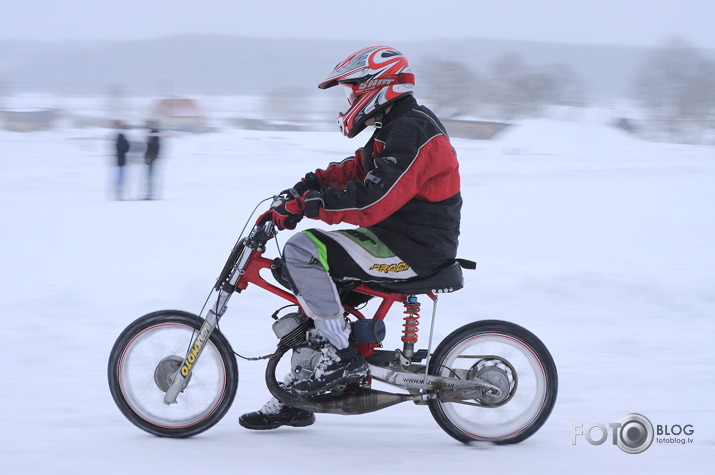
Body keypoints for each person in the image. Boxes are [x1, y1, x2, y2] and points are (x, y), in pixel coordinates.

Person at [239, 46, 462, 430]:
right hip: (395, 239)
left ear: (377, 85)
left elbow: (372, 200)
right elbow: (354, 171)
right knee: (311, 288)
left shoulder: (415, 131)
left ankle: (341, 356)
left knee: (303, 250)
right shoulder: (396, 128)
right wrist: (308, 186)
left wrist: (307, 207)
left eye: (353, 90)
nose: (350, 100)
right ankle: (302, 394)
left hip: (412, 250)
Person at [143, 121, 161, 200]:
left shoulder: (154, 135)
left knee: (150, 177)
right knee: (149, 176)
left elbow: (154, 147)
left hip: (151, 158)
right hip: (149, 158)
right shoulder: (151, 134)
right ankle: (149, 193)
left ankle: (150, 193)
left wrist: (152, 157)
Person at [113, 120, 130, 200]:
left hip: (119, 159)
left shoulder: (118, 136)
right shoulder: (121, 136)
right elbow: (125, 148)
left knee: (120, 176)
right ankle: (119, 192)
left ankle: (119, 192)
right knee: (121, 177)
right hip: (121, 159)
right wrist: (127, 144)